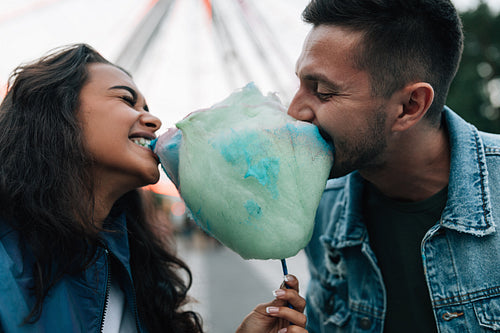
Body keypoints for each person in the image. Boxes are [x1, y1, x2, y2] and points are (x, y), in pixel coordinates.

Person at [0, 43, 307, 333]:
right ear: (56, 111)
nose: (154, 119)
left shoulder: (140, 268)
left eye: (146, 106)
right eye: (125, 99)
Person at [286, 0, 500, 332]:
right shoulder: (321, 208)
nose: (293, 111)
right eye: (299, 84)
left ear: (410, 106)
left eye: (323, 92)